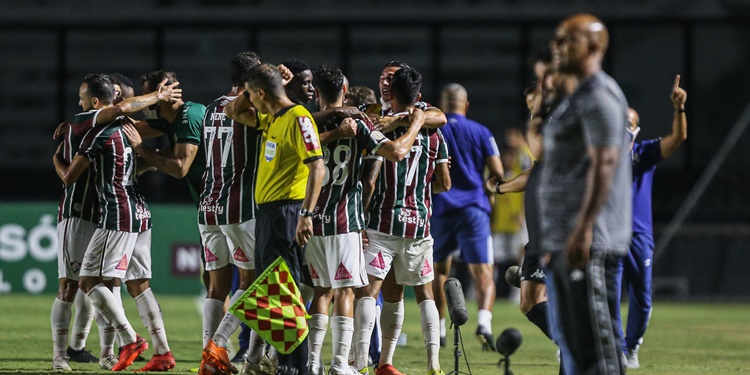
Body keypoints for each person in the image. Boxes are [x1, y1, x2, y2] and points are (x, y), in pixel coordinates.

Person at [50, 73, 179, 371]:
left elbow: (70, 175)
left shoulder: (106, 129)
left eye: (127, 98)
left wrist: (56, 158)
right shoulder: (97, 127)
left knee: (94, 282)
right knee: (102, 284)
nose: (124, 103)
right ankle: (153, 350)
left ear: (96, 102)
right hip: (112, 211)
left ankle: (121, 344)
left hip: (112, 212)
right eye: (121, 97)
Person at [306, 64, 428, 375]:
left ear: (316, 93)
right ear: (345, 92)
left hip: (312, 218)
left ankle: (312, 363)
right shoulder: (359, 123)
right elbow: (396, 153)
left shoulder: (304, 124)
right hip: (345, 219)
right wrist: (415, 124)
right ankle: (339, 364)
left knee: (320, 291)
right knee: (345, 291)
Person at [538, 13, 631, 374]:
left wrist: (584, 227)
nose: (557, 47)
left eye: (568, 40)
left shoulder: (600, 95)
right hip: (565, 241)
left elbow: (605, 161)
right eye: (556, 40)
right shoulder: (572, 96)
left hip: (590, 243)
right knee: (574, 350)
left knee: (598, 354)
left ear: (595, 46)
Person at [224, 63, 326, 375]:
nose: (249, 101)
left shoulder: (298, 118)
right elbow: (232, 110)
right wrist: (258, 87)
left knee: (285, 291)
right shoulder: (271, 117)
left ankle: (297, 367)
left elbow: (318, 167)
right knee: (274, 290)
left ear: (261, 93)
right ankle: (288, 364)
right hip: (268, 214)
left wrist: (306, 214)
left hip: (287, 212)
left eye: (252, 94)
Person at [354, 67, 451, 375]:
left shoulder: (380, 129)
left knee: (370, 293)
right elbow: (445, 182)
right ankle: (428, 362)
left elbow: (370, 180)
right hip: (418, 224)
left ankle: (359, 363)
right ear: (419, 98)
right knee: (423, 295)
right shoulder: (434, 136)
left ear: (390, 95)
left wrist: (360, 218)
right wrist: (420, 187)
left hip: (381, 222)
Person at [188, 51, 269, 374]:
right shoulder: (248, 107)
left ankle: (210, 361)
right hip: (240, 206)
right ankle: (216, 348)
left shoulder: (210, 108)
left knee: (216, 287)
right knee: (251, 281)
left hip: (208, 204)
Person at [615, 77, 688, 369]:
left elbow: (677, 139)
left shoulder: (643, 152)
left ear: (636, 128)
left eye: (628, 123)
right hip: (608, 232)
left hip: (639, 234)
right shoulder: (600, 154)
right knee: (608, 295)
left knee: (642, 297)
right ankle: (615, 348)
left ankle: (631, 347)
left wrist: (679, 109)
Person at [430, 83, 504, 351]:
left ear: (442, 102)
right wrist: (491, 191)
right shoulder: (482, 132)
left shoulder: (434, 130)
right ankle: (484, 322)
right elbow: (498, 171)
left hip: (440, 209)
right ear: (466, 104)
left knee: (438, 271)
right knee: (483, 269)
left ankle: (438, 329)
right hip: (474, 208)